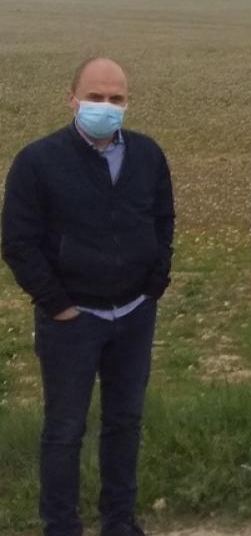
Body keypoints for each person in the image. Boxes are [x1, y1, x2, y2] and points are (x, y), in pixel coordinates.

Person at [2, 57, 174, 536]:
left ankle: (119, 521)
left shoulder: (146, 155)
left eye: (116, 98)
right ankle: (62, 525)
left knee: (125, 422)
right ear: (71, 98)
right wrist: (56, 303)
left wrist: (155, 282)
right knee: (64, 431)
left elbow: (162, 218)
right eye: (95, 96)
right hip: (71, 320)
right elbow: (18, 241)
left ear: (128, 103)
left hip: (135, 313)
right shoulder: (38, 161)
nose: (105, 106)